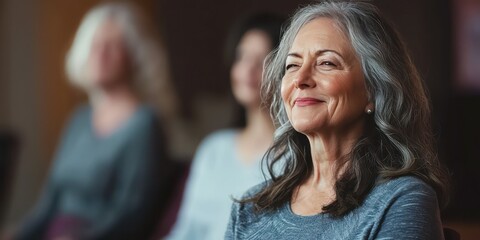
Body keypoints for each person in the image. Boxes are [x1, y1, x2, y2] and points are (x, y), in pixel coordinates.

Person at [226, 1, 450, 239]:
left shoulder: (400, 200)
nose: (300, 79)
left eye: (326, 63)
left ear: (374, 89)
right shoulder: (249, 209)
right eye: (292, 65)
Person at [14, 2, 175, 239]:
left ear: (134, 56)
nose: (100, 54)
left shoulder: (144, 124)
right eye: (95, 45)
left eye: (113, 46)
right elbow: (48, 204)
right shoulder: (78, 120)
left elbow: (133, 215)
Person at [165, 13, 285, 240]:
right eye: (242, 57)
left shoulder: (294, 156)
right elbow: (186, 231)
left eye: (262, 60)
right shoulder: (213, 149)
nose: (248, 69)